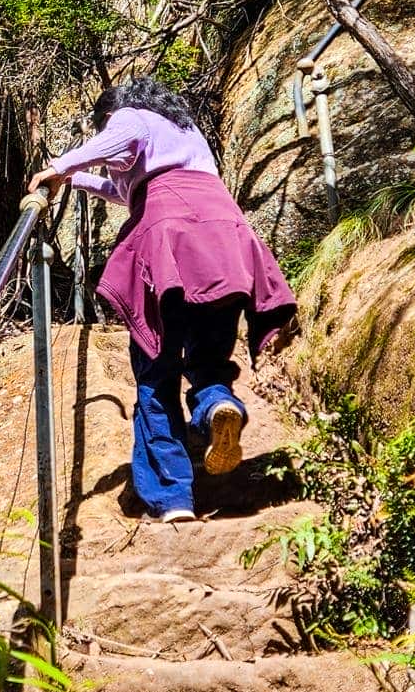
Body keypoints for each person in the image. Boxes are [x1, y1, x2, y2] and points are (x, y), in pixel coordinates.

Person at [28, 77, 298, 523]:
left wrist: (58, 167)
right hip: (222, 240)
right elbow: (124, 189)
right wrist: (77, 180)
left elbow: (123, 138)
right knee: (209, 355)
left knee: (157, 369)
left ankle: (171, 497)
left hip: (170, 239)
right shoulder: (185, 131)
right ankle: (217, 406)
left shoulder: (131, 119)